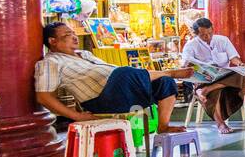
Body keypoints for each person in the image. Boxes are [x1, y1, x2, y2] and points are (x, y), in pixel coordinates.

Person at [35, 22, 191, 133]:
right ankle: (170, 72)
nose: (74, 37)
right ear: (52, 41)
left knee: (165, 82)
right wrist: (76, 116)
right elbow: (43, 97)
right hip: (102, 100)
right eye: (68, 35)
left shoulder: (85, 54)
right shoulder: (50, 62)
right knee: (123, 73)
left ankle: (163, 125)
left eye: (74, 33)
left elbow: (111, 74)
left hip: (122, 91)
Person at [180, 18, 245, 134]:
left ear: (213, 29)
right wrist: (188, 64)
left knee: (240, 73)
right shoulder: (190, 46)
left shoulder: (222, 40)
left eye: (210, 33)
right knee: (213, 90)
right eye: (203, 35)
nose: (208, 37)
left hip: (224, 76)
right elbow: (185, 65)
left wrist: (240, 64)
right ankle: (220, 123)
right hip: (203, 80)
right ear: (196, 34)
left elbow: (233, 58)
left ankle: (206, 90)